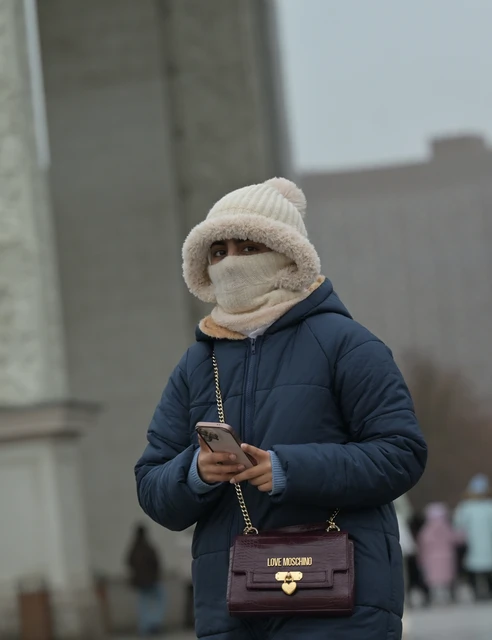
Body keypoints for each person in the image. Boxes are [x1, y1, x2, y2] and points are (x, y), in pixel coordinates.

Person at [134, 177, 428, 639]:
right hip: (231, 610)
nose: (230, 262)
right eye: (218, 251)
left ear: (288, 255)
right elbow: (152, 486)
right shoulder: (195, 365)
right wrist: (196, 473)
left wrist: (288, 470)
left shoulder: (348, 345)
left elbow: (401, 454)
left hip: (341, 601)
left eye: (248, 247)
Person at [453, 474, 492, 601]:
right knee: (490, 567)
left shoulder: (465, 507)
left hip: (473, 544)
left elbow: (458, 525)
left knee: (475, 568)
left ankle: (477, 590)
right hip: (487, 545)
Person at [126, 524, 165, 637]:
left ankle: (144, 626)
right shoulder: (148, 547)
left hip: (140, 582)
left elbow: (129, 562)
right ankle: (154, 623)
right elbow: (156, 562)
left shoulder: (134, 548)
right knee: (160, 599)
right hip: (152, 580)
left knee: (143, 603)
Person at [417, 503, 459, 603]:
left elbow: (422, 543)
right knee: (447, 579)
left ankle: (433, 597)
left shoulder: (426, 529)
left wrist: (420, 558)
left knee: (432, 580)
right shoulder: (446, 527)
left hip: (431, 558)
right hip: (447, 557)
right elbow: (455, 538)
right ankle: (449, 596)